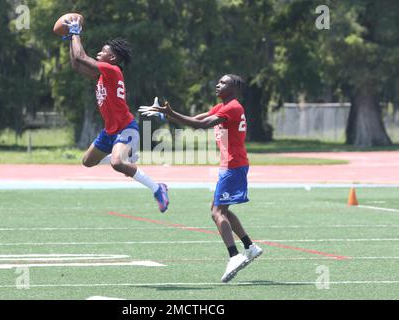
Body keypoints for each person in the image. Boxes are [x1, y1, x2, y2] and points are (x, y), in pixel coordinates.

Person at [140, 74, 263, 282]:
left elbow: (201, 126)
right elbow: (197, 119)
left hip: (233, 165)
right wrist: (167, 115)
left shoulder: (232, 107)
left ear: (234, 88)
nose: (218, 84)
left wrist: (170, 114)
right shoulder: (223, 106)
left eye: (223, 82)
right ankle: (250, 246)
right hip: (232, 164)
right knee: (221, 208)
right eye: (219, 81)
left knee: (217, 211)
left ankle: (234, 255)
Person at [62, 17, 169, 212]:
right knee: (87, 162)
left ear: (112, 58)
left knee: (117, 163)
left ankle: (157, 188)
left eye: (103, 51)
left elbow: (81, 57)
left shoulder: (112, 70)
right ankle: (126, 156)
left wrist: (76, 33)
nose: (99, 53)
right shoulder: (102, 75)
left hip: (126, 127)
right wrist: (71, 37)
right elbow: (76, 65)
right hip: (110, 131)